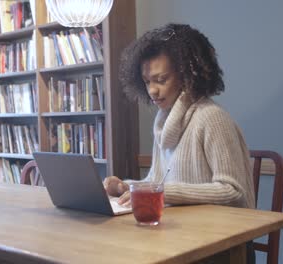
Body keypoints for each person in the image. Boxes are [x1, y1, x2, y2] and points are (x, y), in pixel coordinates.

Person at [103, 23, 256, 263]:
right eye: (146, 82)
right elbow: (157, 181)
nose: (152, 90)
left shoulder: (212, 118)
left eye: (161, 79)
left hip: (222, 247)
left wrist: (163, 193)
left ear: (187, 74)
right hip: (183, 239)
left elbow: (234, 192)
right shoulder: (163, 122)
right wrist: (126, 187)